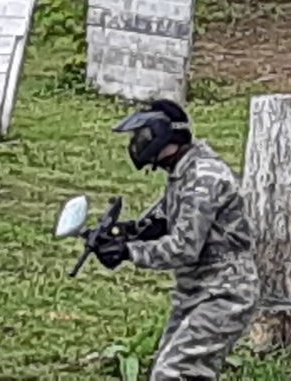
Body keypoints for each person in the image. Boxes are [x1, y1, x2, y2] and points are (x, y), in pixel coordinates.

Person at [93, 99, 259, 380]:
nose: (137, 143)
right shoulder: (184, 171)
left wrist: (129, 252)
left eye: (143, 135)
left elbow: (184, 248)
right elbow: (159, 223)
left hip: (224, 293)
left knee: (174, 373)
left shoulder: (204, 177)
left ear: (163, 134)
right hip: (196, 291)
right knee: (172, 370)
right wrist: (123, 233)